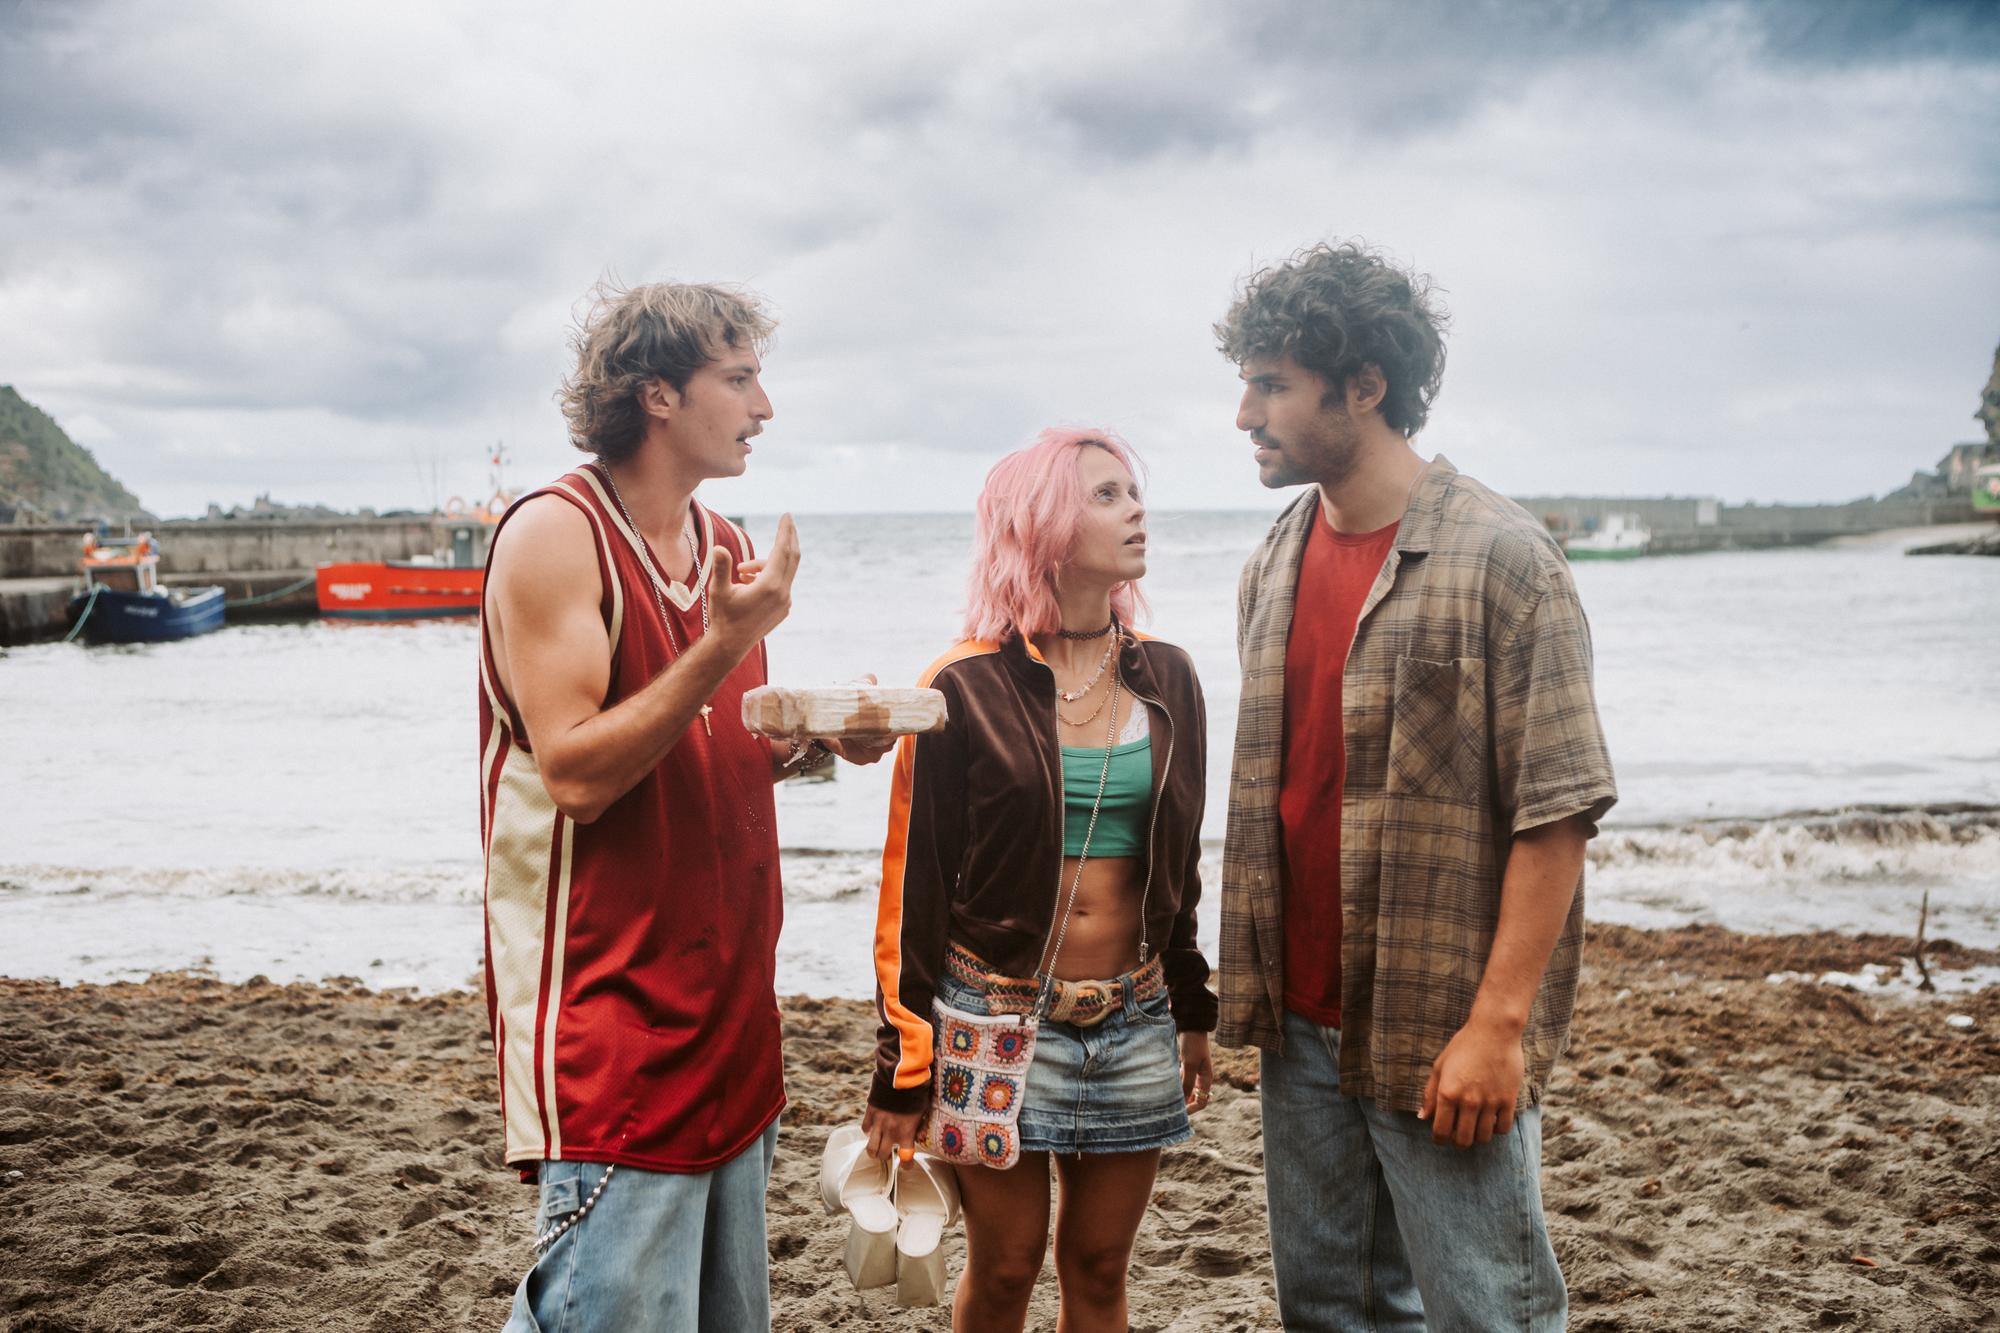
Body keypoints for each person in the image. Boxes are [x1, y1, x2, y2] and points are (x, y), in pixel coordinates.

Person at [1213, 242, 1618, 1331]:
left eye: (1270, 385)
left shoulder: (1503, 559)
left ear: (1362, 386)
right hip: (1300, 1024)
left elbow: (1558, 808)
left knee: (1490, 1312)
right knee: (1330, 1311)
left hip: (1436, 1020)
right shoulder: (1272, 560)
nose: (1244, 414)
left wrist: (1496, 1029)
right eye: (1245, 383)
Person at [478, 280, 890, 1331]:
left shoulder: (722, 545)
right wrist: (721, 643)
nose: (764, 407)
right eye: (740, 378)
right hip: (614, 1028)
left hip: (732, 1023)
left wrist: (814, 743)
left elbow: (706, 740)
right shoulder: (554, 535)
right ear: (655, 393)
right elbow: (575, 774)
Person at [861, 428, 1216, 1333]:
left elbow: (1179, 861)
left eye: (1134, 490)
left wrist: (1193, 1005)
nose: (1136, 508)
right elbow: (914, 885)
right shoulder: (961, 685)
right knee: (1008, 1264)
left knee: (1099, 1267)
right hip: (994, 1016)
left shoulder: (1169, 675)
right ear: (1045, 525)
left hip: (1134, 1015)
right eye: (1106, 495)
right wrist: (902, 1066)